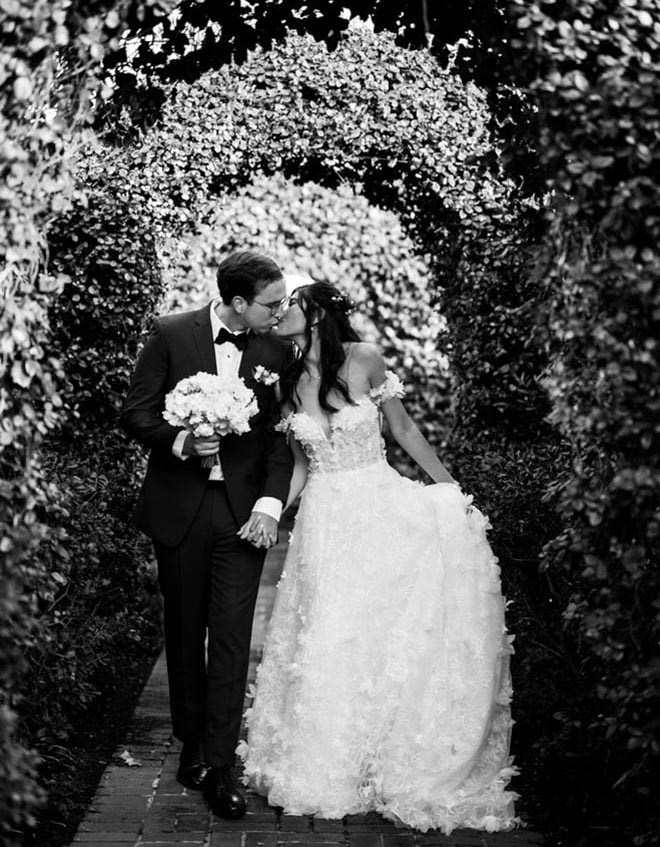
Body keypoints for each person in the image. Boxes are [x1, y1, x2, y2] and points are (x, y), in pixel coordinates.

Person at [238, 281, 518, 833]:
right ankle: (330, 764)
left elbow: (403, 428)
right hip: (323, 520)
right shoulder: (290, 381)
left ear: (315, 313)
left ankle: (386, 756)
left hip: (377, 507)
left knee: (380, 633)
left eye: (291, 303)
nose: (282, 312)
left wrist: (452, 491)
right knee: (329, 633)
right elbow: (299, 464)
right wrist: (269, 512)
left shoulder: (366, 358)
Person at [120, 250, 294, 820]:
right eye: (271, 303)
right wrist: (181, 442)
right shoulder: (172, 333)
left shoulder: (277, 350)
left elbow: (277, 442)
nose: (280, 310)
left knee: (231, 637)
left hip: (243, 516)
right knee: (184, 629)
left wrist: (269, 508)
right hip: (181, 511)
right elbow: (136, 412)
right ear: (238, 302)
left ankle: (222, 766)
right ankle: (190, 742)